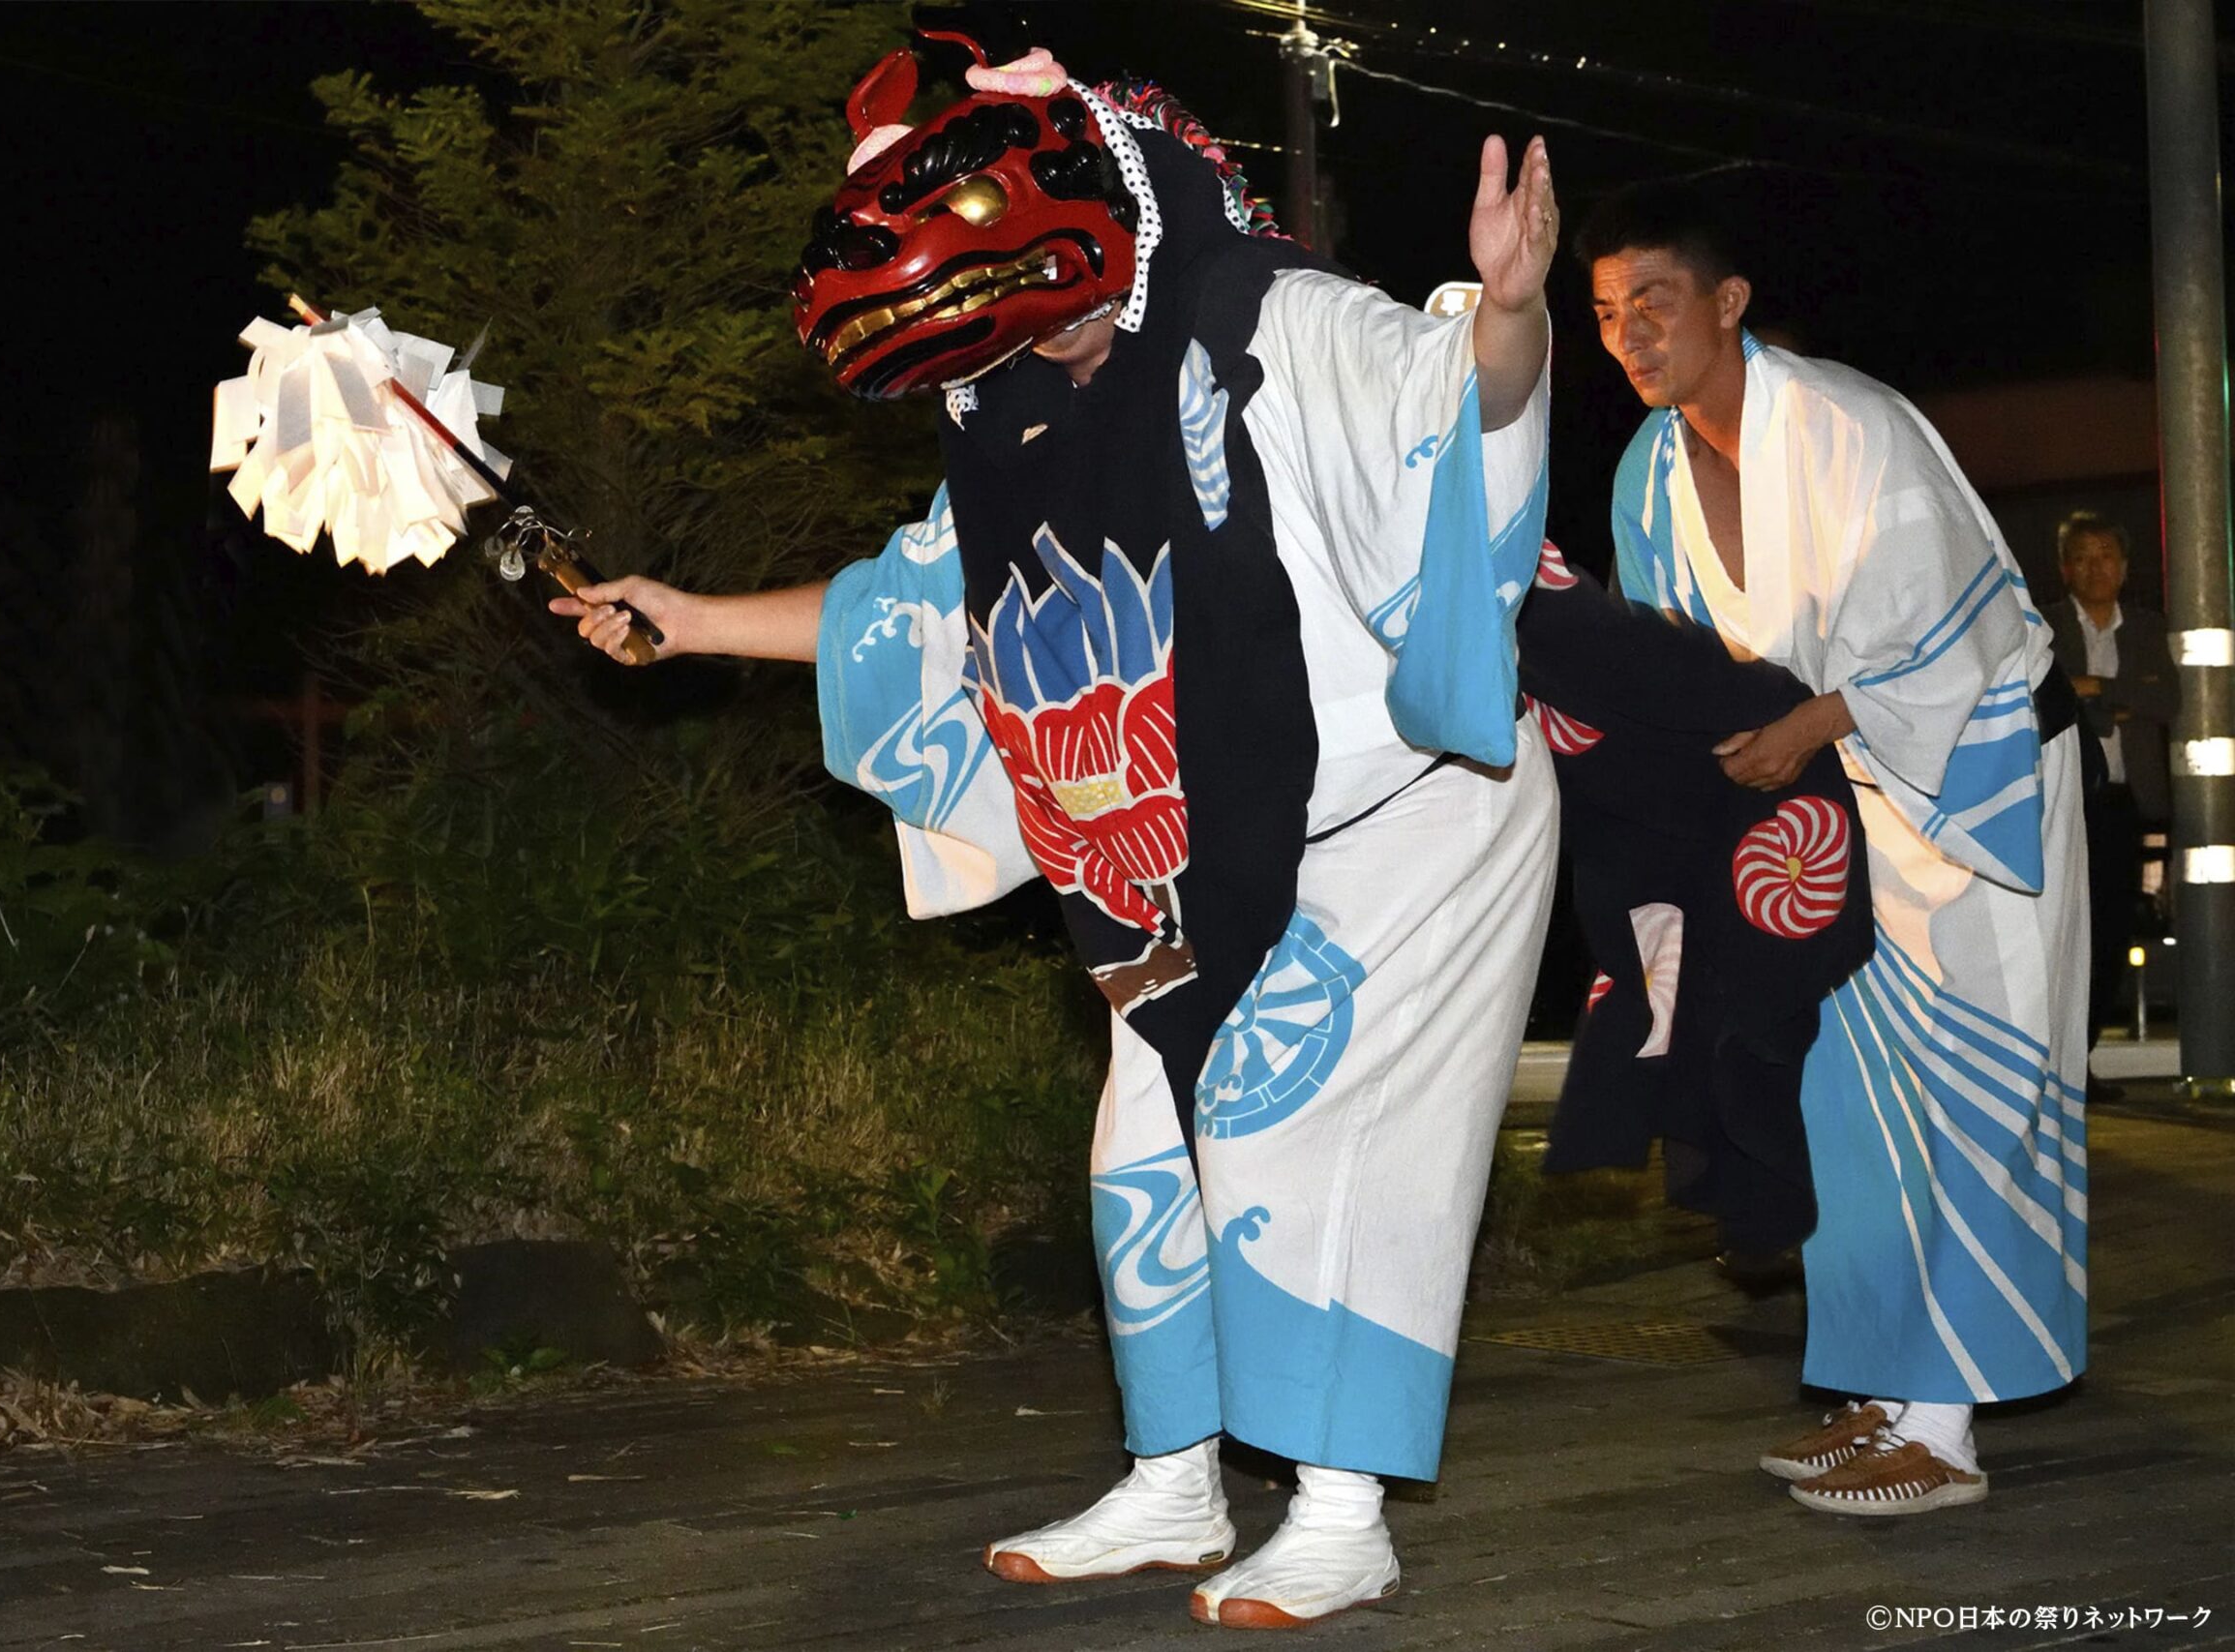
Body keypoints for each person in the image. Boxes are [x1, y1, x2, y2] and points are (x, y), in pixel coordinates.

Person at [560, 38, 1559, 1630]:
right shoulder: (1020, 408)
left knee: (1288, 1120)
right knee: (1144, 1152)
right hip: (1205, 853)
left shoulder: (1274, 320)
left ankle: (1340, 1508)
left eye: (1073, 312)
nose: (1063, 347)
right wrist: (684, 623)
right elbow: (922, 615)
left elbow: (1458, 417)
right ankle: (1174, 1484)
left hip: (1403, 819)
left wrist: (1508, 316)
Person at [1579, 178, 2090, 1517]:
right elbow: (1674, 664)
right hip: (1824, 815)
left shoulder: (1854, 425)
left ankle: (1949, 1423)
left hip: (1972, 789)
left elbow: (1966, 642)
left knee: (1975, 1093)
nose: (1630, 335)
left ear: (1729, 304)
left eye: (1656, 303)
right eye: (1605, 314)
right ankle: (1882, 1379)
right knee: (1848, 1104)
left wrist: (1805, 723)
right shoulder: (1645, 473)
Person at [2040, 512, 2179, 1090]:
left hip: (2129, 803)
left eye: (2107, 556)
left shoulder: (2147, 629)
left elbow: (2167, 698)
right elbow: (2048, 701)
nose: (2097, 568)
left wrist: (2095, 688)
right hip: (2064, 801)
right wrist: (2116, 701)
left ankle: (2086, 1056)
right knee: (2064, 930)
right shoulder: (2043, 629)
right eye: (2084, 557)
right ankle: (2058, 1060)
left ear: (2123, 568)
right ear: (2066, 568)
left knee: (2116, 931)